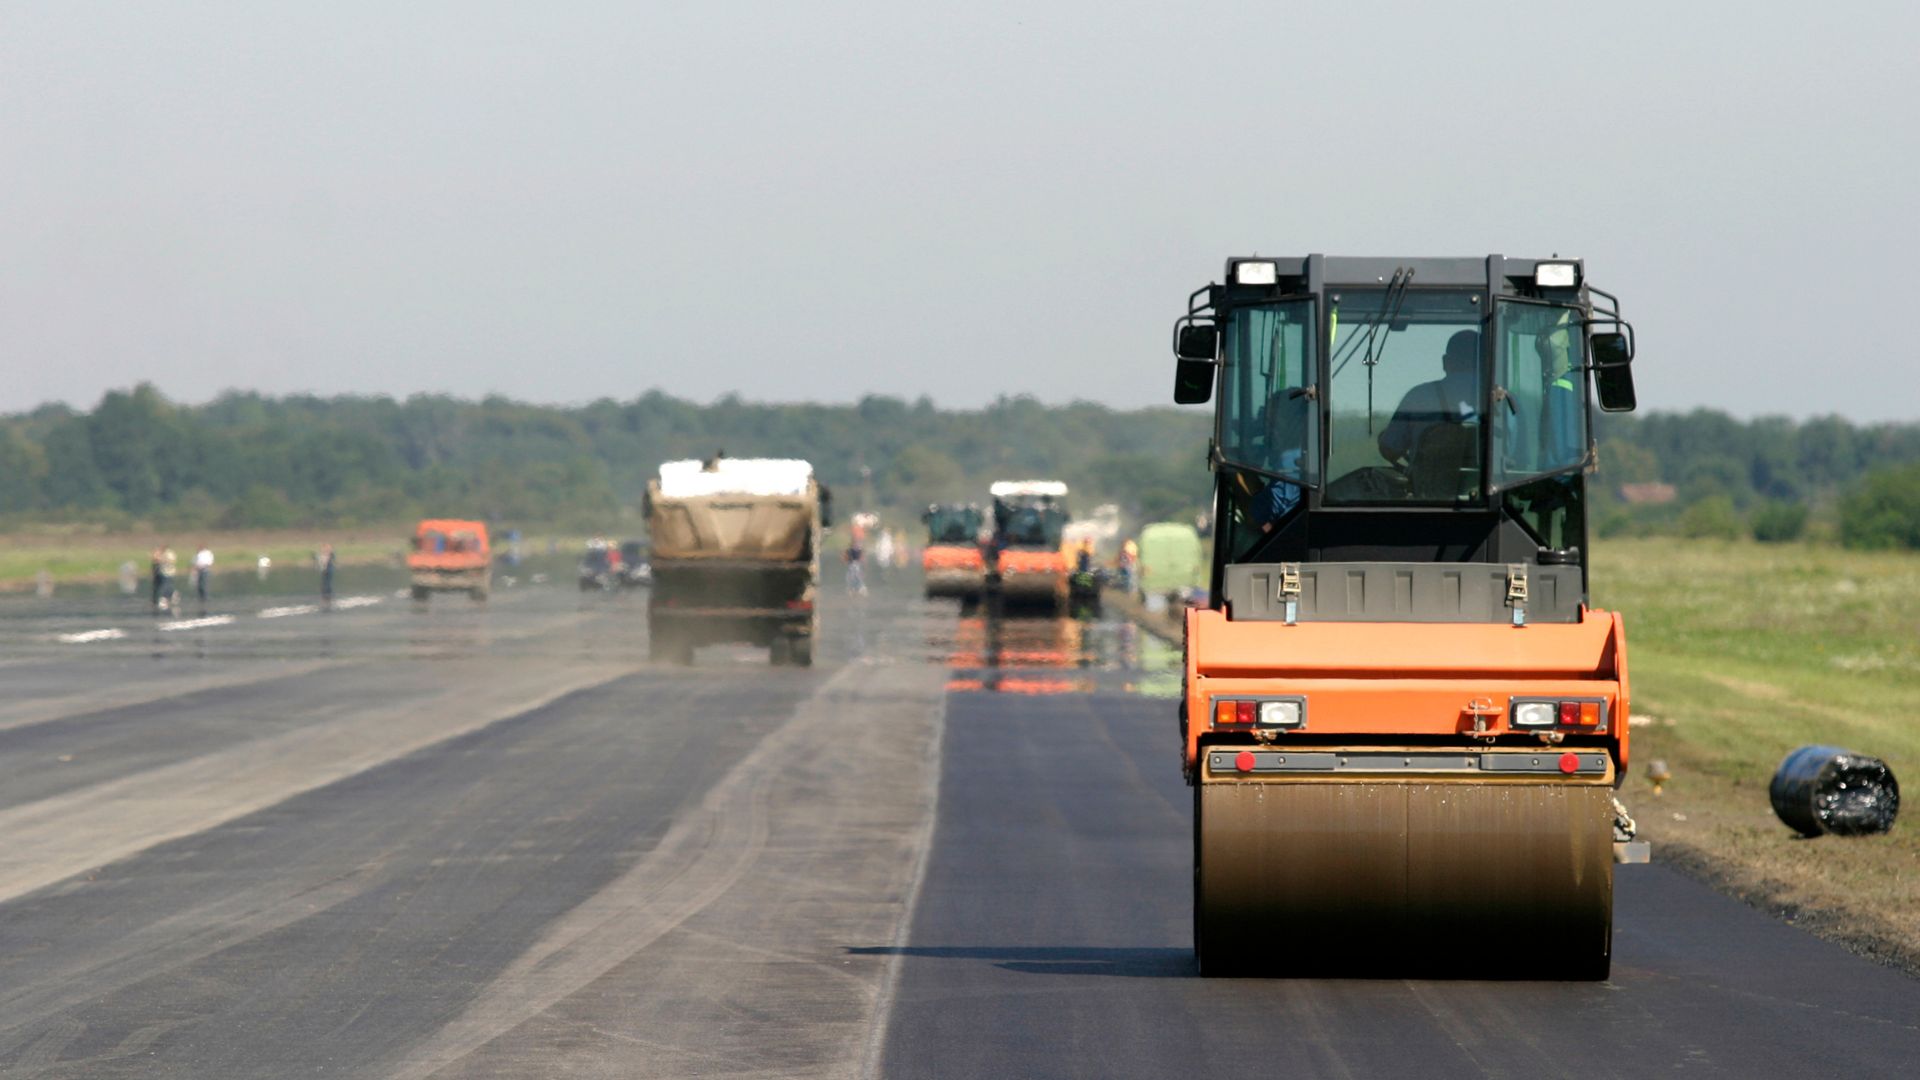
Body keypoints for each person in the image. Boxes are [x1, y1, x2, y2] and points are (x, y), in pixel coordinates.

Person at [1378, 329, 1482, 467]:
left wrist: (1383, 438)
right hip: (1493, 481)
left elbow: (1390, 450)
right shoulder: (1503, 400)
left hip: (1431, 481)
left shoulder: (1419, 396)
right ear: (1486, 361)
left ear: (1445, 362)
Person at [318, 544, 336, 608]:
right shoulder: (324, 555)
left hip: (328, 570)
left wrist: (324, 568)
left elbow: (325, 563)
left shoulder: (330, 555)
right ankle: (325, 596)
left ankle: (327, 596)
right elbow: (322, 563)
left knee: (327, 583)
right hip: (326, 570)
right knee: (325, 583)